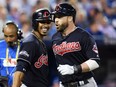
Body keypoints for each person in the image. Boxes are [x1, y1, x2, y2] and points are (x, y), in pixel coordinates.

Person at [52, 3, 100, 87]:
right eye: (55, 17)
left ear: (70, 18)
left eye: (59, 17)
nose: (56, 20)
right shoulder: (54, 38)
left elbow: (95, 61)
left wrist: (74, 69)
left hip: (84, 84)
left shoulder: (84, 36)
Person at [12, 8, 52, 87]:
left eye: (48, 22)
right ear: (35, 23)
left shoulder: (40, 42)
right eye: (42, 22)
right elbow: (19, 71)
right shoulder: (30, 42)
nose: (46, 25)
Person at [0, 21, 23, 87]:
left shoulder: (25, 47)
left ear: (18, 35)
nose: (8, 40)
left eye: (11, 36)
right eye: (6, 36)